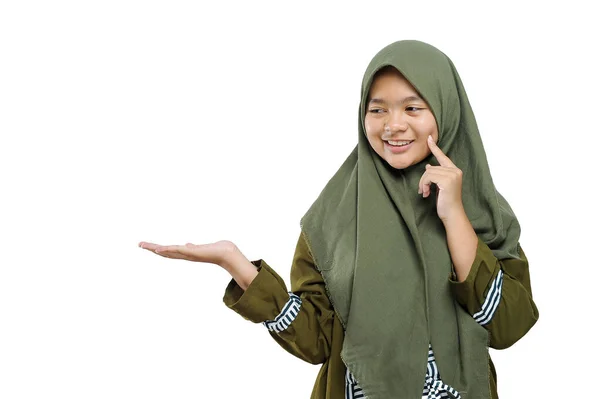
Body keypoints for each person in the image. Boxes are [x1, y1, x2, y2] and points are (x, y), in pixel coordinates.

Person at [139, 40, 539, 399]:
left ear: (447, 110)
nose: (393, 125)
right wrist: (238, 266)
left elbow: (509, 326)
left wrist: (455, 217)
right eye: (377, 109)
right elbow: (315, 341)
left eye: (413, 108)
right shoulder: (333, 217)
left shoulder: (481, 211)